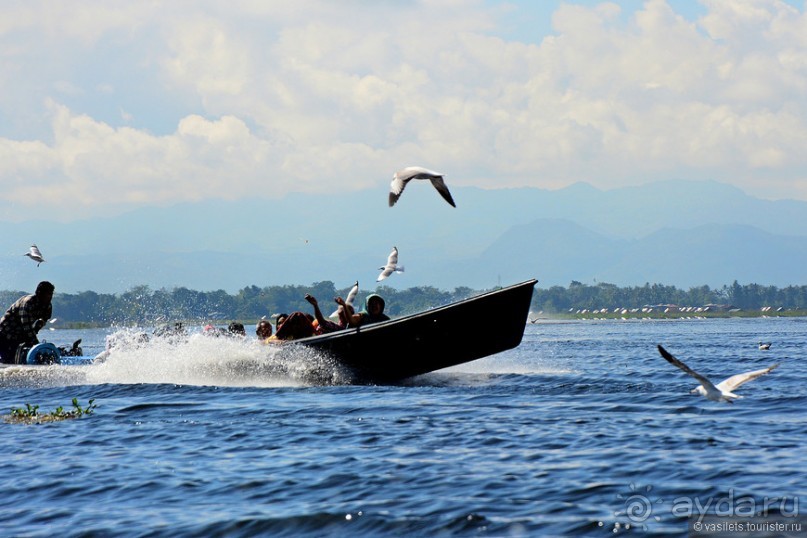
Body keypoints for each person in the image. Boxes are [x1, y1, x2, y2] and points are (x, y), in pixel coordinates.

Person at [0, 281, 54, 364]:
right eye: (48, 294)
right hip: (5, 333)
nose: (50, 297)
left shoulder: (47, 306)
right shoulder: (27, 303)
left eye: (51, 294)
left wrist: (37, 327)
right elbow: (26, 326)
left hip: (20, 334)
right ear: (39, 293)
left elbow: (43, 320)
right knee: (8, 360)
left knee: (23, 355)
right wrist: (36, 345)